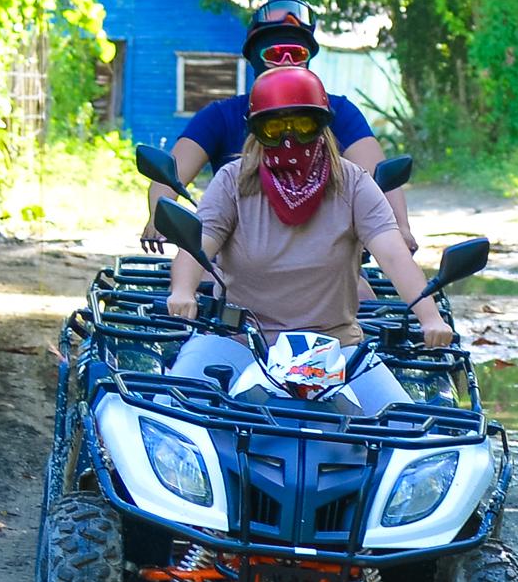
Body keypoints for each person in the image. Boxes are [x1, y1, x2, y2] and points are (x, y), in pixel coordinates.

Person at [166, 68, 454, 394]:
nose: (289, 139)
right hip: (240, 339)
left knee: (406, 423)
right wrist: (183, 292)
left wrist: (429, 318)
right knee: (174, 403)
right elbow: (196, 246)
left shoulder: (354, 183)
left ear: (322, 127)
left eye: (303, 125)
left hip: (336, 345)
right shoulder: (233, 180)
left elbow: (393, 254)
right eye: (274, 127)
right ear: (256, 131)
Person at [152, 0, 414, 251]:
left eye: (296, 53)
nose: (286, 63)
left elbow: (377, 175)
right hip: (235, 258)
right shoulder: (220, 116)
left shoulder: (338, 113)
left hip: (327, 257)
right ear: (255, 57)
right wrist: (158, 216)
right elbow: (170, 174)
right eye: (276, 53)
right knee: (194, 283)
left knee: (360, 292)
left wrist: (400, 226)